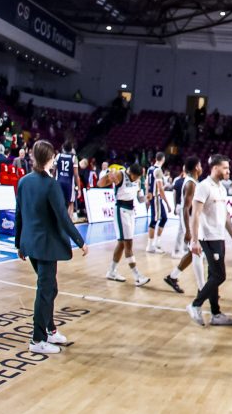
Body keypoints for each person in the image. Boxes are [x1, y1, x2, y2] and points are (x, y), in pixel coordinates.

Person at [15, 140, 88, 354]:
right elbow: (63, 218)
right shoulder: (50, 184)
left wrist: (19, 243)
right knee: (45, 291)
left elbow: (19, 214)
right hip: (46, 246)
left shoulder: (23, 181)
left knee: (50, 288)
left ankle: (50, 330)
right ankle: (37, 340)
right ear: (49, 159)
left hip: (30, 245)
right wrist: (81, 241)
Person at [187, 154, 232, 327]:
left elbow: (226, 217)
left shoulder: (221, 189)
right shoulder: (203, 187)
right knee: (220, 275)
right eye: (225, 168)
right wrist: (194, 241)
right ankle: (195, 305)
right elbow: (195, 214)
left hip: (219, 237)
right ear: (215, 168)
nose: (228, 171)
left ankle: (216, 314)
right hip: (207, 238)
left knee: (213, 275)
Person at [165, 156, 206, 294]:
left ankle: (172, 277)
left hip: (193, 219)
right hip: (189, 219)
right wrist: (187, 230)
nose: (201, 167)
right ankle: (202, 289)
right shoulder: (191, 184)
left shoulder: (193, 181)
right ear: (196, 167)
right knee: (197, 252)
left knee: (193, 252)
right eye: (200, 165)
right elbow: (185, 208)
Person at [106, 163, 150, 286]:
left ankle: (111, 271)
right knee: (128, 244)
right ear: (131, 173)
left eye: (139, 177)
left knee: (121, 244)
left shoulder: (138, 181)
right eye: (135, 176)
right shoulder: (121, 175)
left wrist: (147, 197)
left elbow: (140, 200)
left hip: (131, 211)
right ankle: (137, 276)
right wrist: (108, 175)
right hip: (121, 210)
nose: (137, 179)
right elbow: (103, 182)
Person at [145, 152, 169, 254]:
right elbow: (160, 188)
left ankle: (157, 243)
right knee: (154, 221)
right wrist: (167, 203)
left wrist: (147, 196)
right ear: (163, 159)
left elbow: (146, 183)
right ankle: (150, 246)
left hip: (153, 197)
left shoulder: (150, 169)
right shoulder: (158, 170)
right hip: (156, 198)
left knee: (164, 218)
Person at [55, 141, 77, 220]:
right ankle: (69, 220)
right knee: (71, 202)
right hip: (69, 183)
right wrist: (79, 188)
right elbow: (76, 175)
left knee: (59, 202)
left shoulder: (58, 156)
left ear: (63, 148)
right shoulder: (74, 158)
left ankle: (59, 219)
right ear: (71, 149)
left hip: (59, 181)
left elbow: (54, 170)